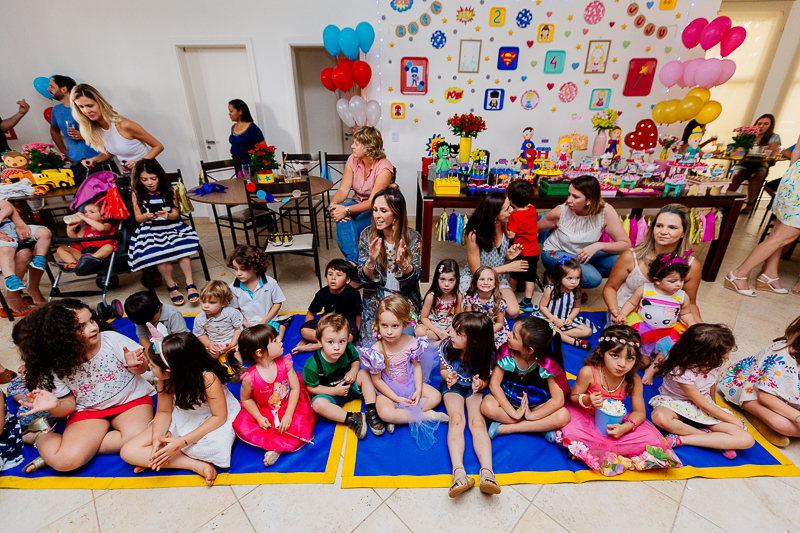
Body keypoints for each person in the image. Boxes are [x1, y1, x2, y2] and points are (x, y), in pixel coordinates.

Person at [13, 299, 155, 472]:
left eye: (92, 320)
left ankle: (81, 449)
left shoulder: (111, 340)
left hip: (131, 400)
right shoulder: (55, 365)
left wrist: (136, 365)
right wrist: (56, 405)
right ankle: (39, 435)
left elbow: (143, 368)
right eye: (81, 326)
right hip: (88, 411)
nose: (93, 327)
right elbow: (68, 406)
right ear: (61, 335)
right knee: (64, 462)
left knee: (138, 437)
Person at [554, 325, 682, 476]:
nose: (622, 364)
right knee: (572, 430)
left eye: (630, 358)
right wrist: (587, 399)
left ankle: (590, 450)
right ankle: (597, 449)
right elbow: (573, 398)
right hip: (586, 417)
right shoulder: (589, 372)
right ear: (601, 352)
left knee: (652, 439)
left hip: (616, 422)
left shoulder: (633, 379)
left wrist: (625, 428)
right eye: (615, 356)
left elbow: (639, 412)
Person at [120, 331, 240, 486]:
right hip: (181, 416)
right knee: (128, 451)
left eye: (152, 366)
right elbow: (164, 412)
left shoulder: (208, 378)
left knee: (216, 447)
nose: (149, 368)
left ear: (170, 371)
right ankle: (194, 464)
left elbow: (219, 417)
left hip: (210, 419)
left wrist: (181, 443)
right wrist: (159, 440)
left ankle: (165, 458)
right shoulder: (164, 379)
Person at [650, 324, 755, 459]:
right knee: (660, 417)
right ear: (705, 356)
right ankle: (713, 441)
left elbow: (711, 383)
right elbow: (704, 405)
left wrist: (715, 404)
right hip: (675, 402)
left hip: (704, 403)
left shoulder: (715, 362)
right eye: (725, 353)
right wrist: (734, 420)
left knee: (747, 439)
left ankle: (682, 439)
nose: (727, 355)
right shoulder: (681, 370)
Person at [360, 295, 448, 448]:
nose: (389, 332)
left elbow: (416, 366)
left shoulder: (412, 342)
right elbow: (377, 380)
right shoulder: (376, 350)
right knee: (385, 413)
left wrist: (418, 391)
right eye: (384, 326)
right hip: (387, 390)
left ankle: (398, 418)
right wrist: (396, 398)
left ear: (404, 324)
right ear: (378, 324)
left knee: (436, 397)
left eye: (395, 326)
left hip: (409, 383)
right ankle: (426, 416)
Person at [604, 204, 703, 324]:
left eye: (672, 227)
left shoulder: (691, 265)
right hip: (625, 317)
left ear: (683, 232)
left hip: (664, 321)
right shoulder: (631, 256)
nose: (663, 232)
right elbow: (611, 288)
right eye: (659, 226)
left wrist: (699, 327)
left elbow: (691, 303)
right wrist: (615, 311)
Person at [233, 324, 316, 466]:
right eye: (274, 341)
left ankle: (277, 448)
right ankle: (277, 447)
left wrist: (289, 414)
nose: (280, 341)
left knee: (298, 424)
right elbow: (246, 399)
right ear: (260, 352)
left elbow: (295, 388)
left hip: (289, 404)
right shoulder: (250, 377)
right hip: (265, 410)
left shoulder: (285, 364)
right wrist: (258, 417)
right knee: (250, 425)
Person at [726, 138, 800, 296]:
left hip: (794, 178)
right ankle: (738, 274)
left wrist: (793, 177)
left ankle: (769, 275)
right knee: (784, 235)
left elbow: (796, 153)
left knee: (778, 232)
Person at [439, 312, 501, 497]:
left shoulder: (487, 354)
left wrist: (480, 383)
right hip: (453, 387)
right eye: (453, 329)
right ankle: (458, 473)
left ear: (474, 341)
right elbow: (443, 369)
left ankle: (487, 474)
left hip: (475, 390)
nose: (451, 334)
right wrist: (448, 376)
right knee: (456, 419)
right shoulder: (448, 346)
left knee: (477, 423)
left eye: (458, 333)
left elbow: (488, 379)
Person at [482, 317, 571, 439]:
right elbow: (494, 385)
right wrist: (514, 413)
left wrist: (531, 416)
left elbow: (558, 400)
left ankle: (507, 428)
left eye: (514, 336)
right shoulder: (506, 353)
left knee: (563, 416)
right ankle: (539, 427)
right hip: (507, 397)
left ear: (529, 350)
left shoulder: (546, 363)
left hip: (534, 401)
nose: (508, 335)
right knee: (487, 406)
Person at [719, 315, 800, 447]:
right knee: (782, 424)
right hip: (753, 394)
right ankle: (758, 416)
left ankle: (770, 419)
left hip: (787, 399)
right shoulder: (783, 354)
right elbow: (765, 397)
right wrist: (797, 418)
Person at [128, 159, 200, 305]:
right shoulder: (137, 193)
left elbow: (175, 213)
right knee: (159, 253)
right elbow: (138, 217)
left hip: (171, 226)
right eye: (144, 179)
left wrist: (167, 215)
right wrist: (146, 216)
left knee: (182, 248)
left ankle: (189, 283)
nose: (149, 183)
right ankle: (171, 286)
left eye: (153, 179)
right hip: (150, 229)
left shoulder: (169, 190)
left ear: (159, 176)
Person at [302, 313, 385, 439]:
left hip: (351, 386)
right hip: (332, 394)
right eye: (330, 342)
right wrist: (334, 391)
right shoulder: (312, 365)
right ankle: (352, 418)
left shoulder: (348, 348)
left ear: (347, 339)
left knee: (364, 373)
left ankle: (371, 410)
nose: (337, 347)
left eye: (342, 341)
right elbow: (312, 388)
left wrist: (353, 370)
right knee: (317, 404)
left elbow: (356, 360)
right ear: (319, 342)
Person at [538, 176, 631, 289]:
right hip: (555, 252)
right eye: (569, 194)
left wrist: (599, 245)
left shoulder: (606, 211)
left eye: (575, 197)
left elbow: (625, 244)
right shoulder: (560, 212)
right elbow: (534, 229)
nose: (568, 200)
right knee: (593, 279)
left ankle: (567, 278)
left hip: (583, 252)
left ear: (590, 199)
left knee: (621, 263)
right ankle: (563, 277)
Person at [619, 253, 697, 385]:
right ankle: (635, 363)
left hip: (666, 331)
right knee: (642, 361)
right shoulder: (645, 290)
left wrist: (691, 322)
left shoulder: (682, 296)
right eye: (673, 281)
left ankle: (652, 370)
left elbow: (685, 313)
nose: (678, 284)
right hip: (644, 328)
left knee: (668, 351)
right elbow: (632, 303)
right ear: (657, 280)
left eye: (681, 280)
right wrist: (622, 313)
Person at [358, 185, 422, 343]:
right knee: (371, 350)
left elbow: (415, 278)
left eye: (383, 211)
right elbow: (363, 279)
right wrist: (370, 262)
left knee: (406, 345)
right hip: (376, 299)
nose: (376, 216)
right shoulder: (367, 235)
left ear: (396, 215)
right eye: (375, 210)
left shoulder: (412, 237)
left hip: (404, 299)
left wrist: (403, 265)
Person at [329, 126, 394, 263]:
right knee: (343, 222)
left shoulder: (384, 167)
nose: (352, 146)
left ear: (368, 148)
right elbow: (342, 190)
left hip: (377, 209)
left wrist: (345, 210)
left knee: (344, 232)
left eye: (356, 144)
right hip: (357, 203)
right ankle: (357, 266)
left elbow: (373, 202)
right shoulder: (352, 160)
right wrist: (334, 205)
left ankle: (353, 265)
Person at [71, 84, 163, 177]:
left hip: (149, 172)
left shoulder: (124, 125)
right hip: (128, 174)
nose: (86, 111)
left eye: (90, 105)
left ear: (101, 104)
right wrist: (93, 160)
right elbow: (112, 152)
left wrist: (138, 163)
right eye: (81, 107)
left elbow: (158, 146)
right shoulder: (97, 128)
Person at [460, 191, 526, 318]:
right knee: (479, 315)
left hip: (497, 279)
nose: (511, 210)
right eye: (507, 209)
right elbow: (476, 272)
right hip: (477, 280)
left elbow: (496, 255)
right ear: (495, 214)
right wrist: (509, 267)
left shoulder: (504, 223)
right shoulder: (474, 234)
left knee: (513, 312)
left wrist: (508, 256)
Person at [294, 259, 362, 354]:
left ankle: (315, 346)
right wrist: (309, 330)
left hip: (346, 322)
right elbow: (311, 313)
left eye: (338, 275)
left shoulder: (353, 294)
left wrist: (357, 333)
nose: (333, 278)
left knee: (350, 337)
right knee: (304, 331)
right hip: (327, 321)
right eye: (330, 274)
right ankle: (328, 341)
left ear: (348, 280)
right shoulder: (322, 293)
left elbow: (358, 314)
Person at [531, 257, 597, 350]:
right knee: (547, 324)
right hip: (549, 317)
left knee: (587, 331)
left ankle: (552, 335)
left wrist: (570, 318)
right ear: (559, 277)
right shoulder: (551, 289)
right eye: (569, 278)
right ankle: (574, 342)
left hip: (565, 319)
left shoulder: (576, 292)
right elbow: (542, 306)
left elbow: (576, 308)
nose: (574, 282)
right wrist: (554, 319)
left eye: (577, 278)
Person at [227, 244, 292, 338]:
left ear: (256, 268)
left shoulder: (270, 283)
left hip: (268, 321)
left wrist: (264, 321)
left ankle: (282, 325)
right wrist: (245, 322)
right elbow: (235, 309)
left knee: (268, 339)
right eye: (235, 269)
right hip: (248, 324)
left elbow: (277, 303)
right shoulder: (233, 287)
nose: (238, 273)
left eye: (243, 269)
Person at [0, 199, 52, 316]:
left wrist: (5, 216)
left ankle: (32, 288)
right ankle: (10, 293)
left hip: (9, 232)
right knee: (22, 254)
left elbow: (7, 206)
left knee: (34, 248)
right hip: (4, 245)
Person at [47, 75, 100, 183]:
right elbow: (54, 131)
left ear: (64, 89)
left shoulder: (86, 107)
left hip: (99, 159)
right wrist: (64, 152)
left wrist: (85, 136)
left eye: (51, 86)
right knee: (83, 197)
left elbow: (105, 130)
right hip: (76, 162)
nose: (48, 89)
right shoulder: (56, 110)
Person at [729, 114, 782, 214]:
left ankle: (749, 205)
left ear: (770, 126)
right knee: (738, 175)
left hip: (761, 164)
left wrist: (754, 149)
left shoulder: (774, 137)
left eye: (766, 124)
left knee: (756, 177)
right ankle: (726, 202)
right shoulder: (747, 135)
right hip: (745, 162)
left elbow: (772, 149)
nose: (761, 126)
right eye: (759, 123)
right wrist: (763, 148)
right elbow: (738, 150)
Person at [193, 280, 244, 373]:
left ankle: (238, 370)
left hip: (231, 340)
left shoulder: (232, 313)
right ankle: (216, 372)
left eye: (212, 302)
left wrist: (232, 343)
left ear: (223, 303)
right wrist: (209, 344)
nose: (206, 306)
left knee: (234, 353)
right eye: (203, 301)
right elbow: (200, 334)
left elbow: (238, 329)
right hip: (213, 343)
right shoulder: (200, 318)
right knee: (209, 356)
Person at [506, 180, 540, 313]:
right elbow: (527, 202)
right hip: (533, 252)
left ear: (511, 200)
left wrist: (504, 225)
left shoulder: (515, 215)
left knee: (514, 274)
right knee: (529, 277)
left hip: (519, 252)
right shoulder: (532, 209)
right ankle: (528, 301)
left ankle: (511, 294)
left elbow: (510, 235)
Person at [55, 203, 116, 270]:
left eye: (92, 212)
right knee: (61, 249)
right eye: (85, 212)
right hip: (84, 254)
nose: (87, 214)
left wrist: (84, 218)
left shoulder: (107, 225)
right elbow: (75, 239)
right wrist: (70, 230)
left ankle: (85, 263)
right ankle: (74, 264)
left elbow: (101, 228)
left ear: (103, 216)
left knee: (109, 247)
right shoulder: (85, 228)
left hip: (99, 254)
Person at [124, 290, 189, 352]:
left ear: (160, 306)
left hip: (177, 345)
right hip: (156, 347)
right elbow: (144, 340)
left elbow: (180, 340)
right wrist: (151, 360)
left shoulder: (172, 314)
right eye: (144, 323)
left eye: (152, 320)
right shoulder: (140, 316)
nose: (148, 323)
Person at [463, 266, 511, 348]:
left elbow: (499, 323)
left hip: (492, 328)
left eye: (490, 279)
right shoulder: (470, 298)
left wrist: (486, 332)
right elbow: (468, 317)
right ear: (475, 282)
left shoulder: (499, 302)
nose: (486, 282)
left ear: (495, 284)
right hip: (476, 325)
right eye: (482, 279)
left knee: (495, 346)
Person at [415, 259, 462, 342]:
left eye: (451, 280)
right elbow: (424, 318)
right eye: (442, 279)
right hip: (432, 326)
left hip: (448, 324)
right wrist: (439, 331)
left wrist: (451, 327)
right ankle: (443, 337)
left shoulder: (457, 296)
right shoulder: (431, 296)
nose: (446, 284)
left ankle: (444, 336)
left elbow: (457, 314)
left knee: (463, 327)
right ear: (437, 279)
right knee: (419, 331)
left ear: (456, 280)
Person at [227, 99, 265, 164]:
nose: (229, 114)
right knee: (238, 174)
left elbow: (263, 148)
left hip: (250, 166)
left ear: (240, 111)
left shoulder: (252, 128)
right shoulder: (233, 127)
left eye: (231, 111)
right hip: (237, 165)